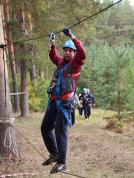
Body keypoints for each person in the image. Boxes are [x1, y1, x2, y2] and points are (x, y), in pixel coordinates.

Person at [41, 27, 86, 174]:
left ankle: (62, 162)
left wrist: (72, 36)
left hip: (65, 104)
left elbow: (83, 53)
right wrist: (52, 41)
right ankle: (54, 154)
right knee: (45, 128)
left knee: (60, 131)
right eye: (65, 50)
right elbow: (53, 55)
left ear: (74, 53)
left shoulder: (75, 64)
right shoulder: (61, 62)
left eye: (70, 51)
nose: (67, 52)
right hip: (54, 102)